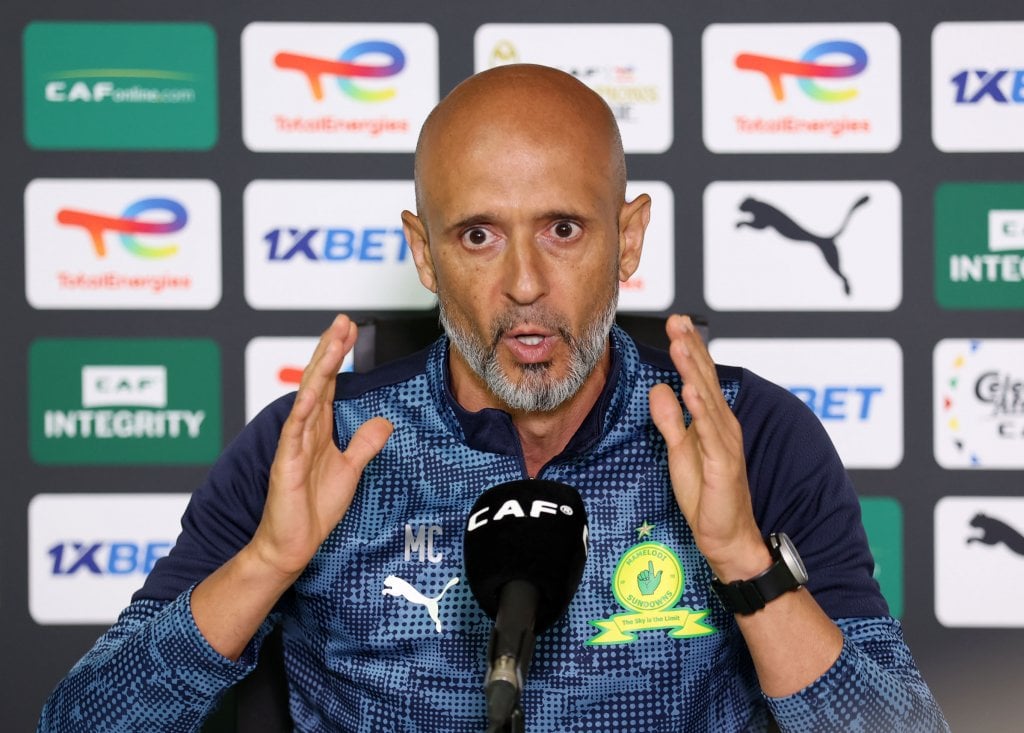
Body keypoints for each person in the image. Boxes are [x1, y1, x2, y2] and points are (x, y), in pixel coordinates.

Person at [39, 64, 947, 732]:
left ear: (627, 239)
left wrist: (744, 560)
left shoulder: (749, 435)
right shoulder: (317, 445)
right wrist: (266, 562)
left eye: (563, 228)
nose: (523, 282)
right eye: (477, 235)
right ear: (425, 254)